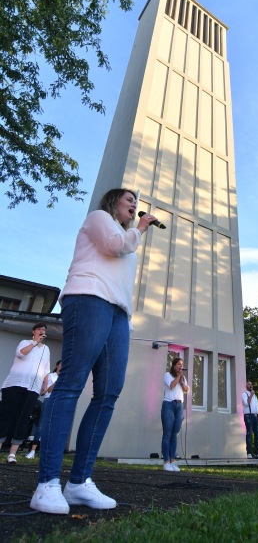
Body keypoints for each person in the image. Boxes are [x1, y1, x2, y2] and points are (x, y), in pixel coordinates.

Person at [30, 189, 157, 514]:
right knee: (71, 383)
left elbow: (122, 263)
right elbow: (114, 246)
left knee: (108, 393)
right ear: (112, 201)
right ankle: (46, 485)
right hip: (87, 298)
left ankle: (79, 482)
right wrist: (140, 227)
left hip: (117, 313)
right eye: (128, 200)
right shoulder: (99, 219)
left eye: (136, 203)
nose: (134, 205)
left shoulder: (129, 238)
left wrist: (125, 319)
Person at [0, 323, 50, 463]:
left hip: (33, 387)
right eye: (40, 329)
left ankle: (12, 454)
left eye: (44, 330)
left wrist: (45, 385)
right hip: (15, 384)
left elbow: (46, 369)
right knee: (6, 415)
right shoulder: (25, 342)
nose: (42, 331)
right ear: (33, 331)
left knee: (24, 418)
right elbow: (20, 354)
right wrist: (35, 342)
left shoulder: (46, 349)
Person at [26, 360, 62, 459]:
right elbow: (47, 391)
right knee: (41, 425)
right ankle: (33, 450)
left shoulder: (65, 378)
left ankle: (48, 451)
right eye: (61, 364)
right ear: (57, 365)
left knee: (55, 425)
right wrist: (57, 382)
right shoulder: (51, 376)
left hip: (59, 401)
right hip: (49, 400)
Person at [161, 357, 190, 471]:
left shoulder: (182, 378)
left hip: (179, 406)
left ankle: (173, 461)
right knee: (167, 434)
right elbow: (172, 386)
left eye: (182, 365)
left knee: (175, 434)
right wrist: (179, 376)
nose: (181, 366)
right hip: (168, 405)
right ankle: (166, 462)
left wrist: (182, 382)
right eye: (179, 364)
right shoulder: (167, 375)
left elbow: (187, 390)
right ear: (174, 366)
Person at [242, 381, 258, 459]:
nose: (250, 385)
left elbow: (257, 407)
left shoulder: (255, 396)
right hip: (249, 416)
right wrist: (251, 395)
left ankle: (257, 453)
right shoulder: (244, 394)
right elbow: (246, 403)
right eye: (249, 384)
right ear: (246, 386)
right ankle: (249, 453)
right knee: (249, 434)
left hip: (256, 417)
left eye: (251, 384)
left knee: (257, 435)